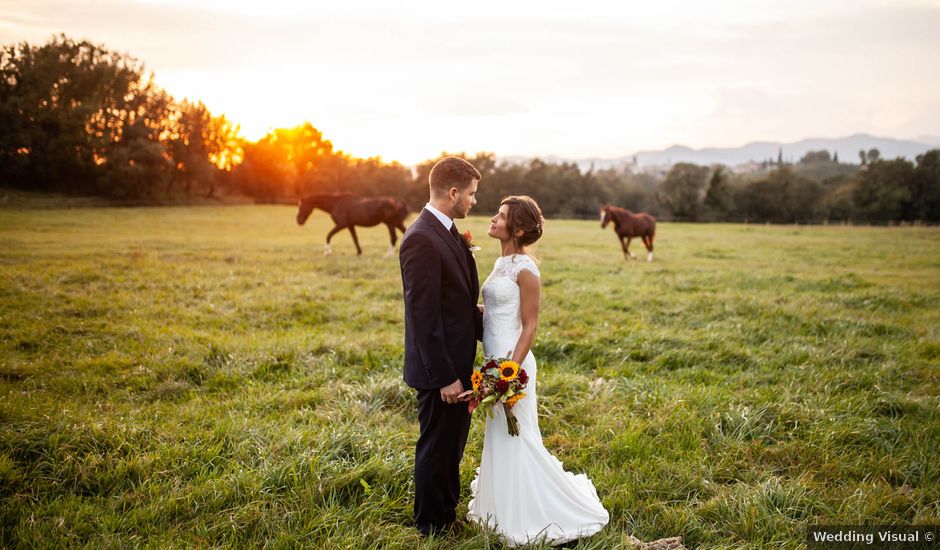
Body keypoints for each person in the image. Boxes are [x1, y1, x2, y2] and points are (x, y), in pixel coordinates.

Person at [465, 195, 609, 547]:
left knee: (519, 434)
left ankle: (530, 510)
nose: (493, 220)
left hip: (513, 364)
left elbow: (529, 326)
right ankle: (500, 505)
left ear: (516, 229)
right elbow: (498, 309)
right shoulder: (501, 264)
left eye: (500, 217)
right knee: (500, 432)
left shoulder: (527, 270)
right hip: (494, 361)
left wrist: (509, 373)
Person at [398, 156, 483, 537]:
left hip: (458, 363)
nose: (474, 201)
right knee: (436, 446)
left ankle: (446, 513)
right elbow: (424, 317)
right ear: (452, 193)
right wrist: (446, 377)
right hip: (440, 371)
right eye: (471, 194)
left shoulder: (446, 232)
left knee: (452, 446)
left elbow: (456, 304)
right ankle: (431, 525)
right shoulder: (421, 239)